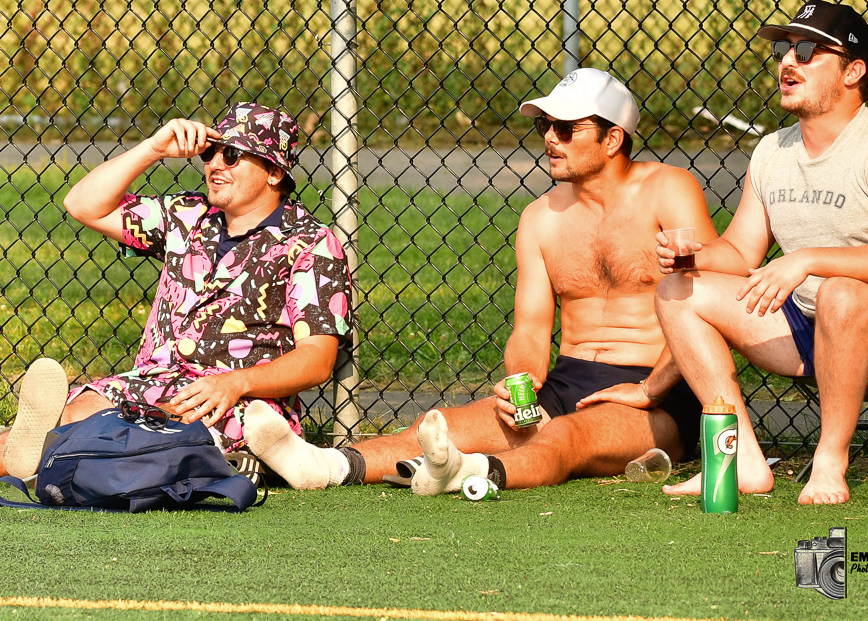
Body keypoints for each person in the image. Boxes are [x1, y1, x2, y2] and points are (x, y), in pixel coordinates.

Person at [243, 69, 714, 494]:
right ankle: (321, 466)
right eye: (544, 126)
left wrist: (652, 387)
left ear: (613, 139)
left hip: (658, 394)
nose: (551, 138)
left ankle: (468, 473)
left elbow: (704, 297)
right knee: (439, 425)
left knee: (564, 437)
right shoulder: (540, 218)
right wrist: (523, 379)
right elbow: (530, 329)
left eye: (567, 130)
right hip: (568, 379)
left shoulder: (668, 189)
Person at [0, 102, 351, 485]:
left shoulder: (310, 244)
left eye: (231, 156)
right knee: (78, 411)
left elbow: (317, 360)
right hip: (147, 382)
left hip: (233, 402)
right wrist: (152, 148)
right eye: (210, 154)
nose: (214, 165)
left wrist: (235, 382)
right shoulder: (188, 217)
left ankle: (35, 456)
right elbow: (82, 204)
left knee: (118, 431)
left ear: (273, 171)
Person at [655, 0, 868, 506]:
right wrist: (691, 257)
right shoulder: (772, 151)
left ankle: (830, 459)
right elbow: (739, 250)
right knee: (678, 292)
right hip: (811, 317)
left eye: (806, 50)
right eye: (783, 48)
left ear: (854, 70)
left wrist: (804, 260)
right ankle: (738, 461)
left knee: (842, 295)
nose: (786, 61)